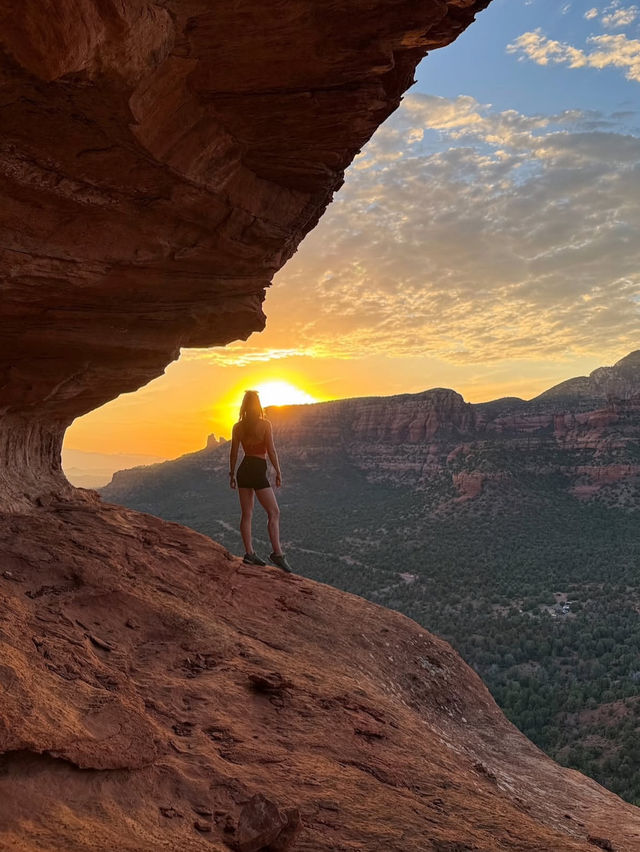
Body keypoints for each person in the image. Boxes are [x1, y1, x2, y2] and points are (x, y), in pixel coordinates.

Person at [229, 390, 293, 572]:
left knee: (246, 514)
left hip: (244, 470)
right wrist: (278, 471)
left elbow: (233, 453)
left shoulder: (237, 427)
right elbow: (271, 451)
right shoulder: (265, 425)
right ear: (258, 405)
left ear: (243, 406)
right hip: (258, 471)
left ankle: (249, 553)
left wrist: (232, 474)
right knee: (274, 512)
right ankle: (277, 554)